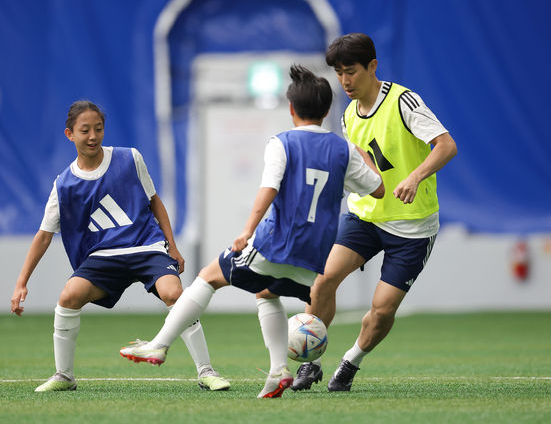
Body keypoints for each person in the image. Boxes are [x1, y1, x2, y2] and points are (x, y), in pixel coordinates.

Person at [119, 65, 384, 398]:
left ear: (291, 110)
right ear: (327, 110)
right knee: (266, 293)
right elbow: (378, 190)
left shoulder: (283, 142)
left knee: (208, 276)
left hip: (277, 244)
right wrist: (362, 156)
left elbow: (268, 190)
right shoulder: (343, 150)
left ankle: (159, 345)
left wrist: (247, 231)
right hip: (313, 259)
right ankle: (278, 372)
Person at [10, 100, 229, 392]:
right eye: (84, 130)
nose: (93, 136)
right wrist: (21, 282)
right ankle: (64, 376)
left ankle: (206, 371)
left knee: (175, 294)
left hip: (146, 246)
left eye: (98, 129)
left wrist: (172, 247)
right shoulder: (63, 185)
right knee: (69, 296)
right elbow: (44, 235)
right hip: (103, 258)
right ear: (69, 134)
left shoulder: (130, 158)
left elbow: (155, 202)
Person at [291, 33, 458, 392]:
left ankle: (350, 363)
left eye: (350, 71)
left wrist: (415, 177)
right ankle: (312, 363)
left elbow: (446, 145)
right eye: (338, 73)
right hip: (364, 217)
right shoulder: (350, 114)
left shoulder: (403, 102)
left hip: (411, 227)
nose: (345, 81)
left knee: (381, 310)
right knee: (323, 281)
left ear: (372, 66)